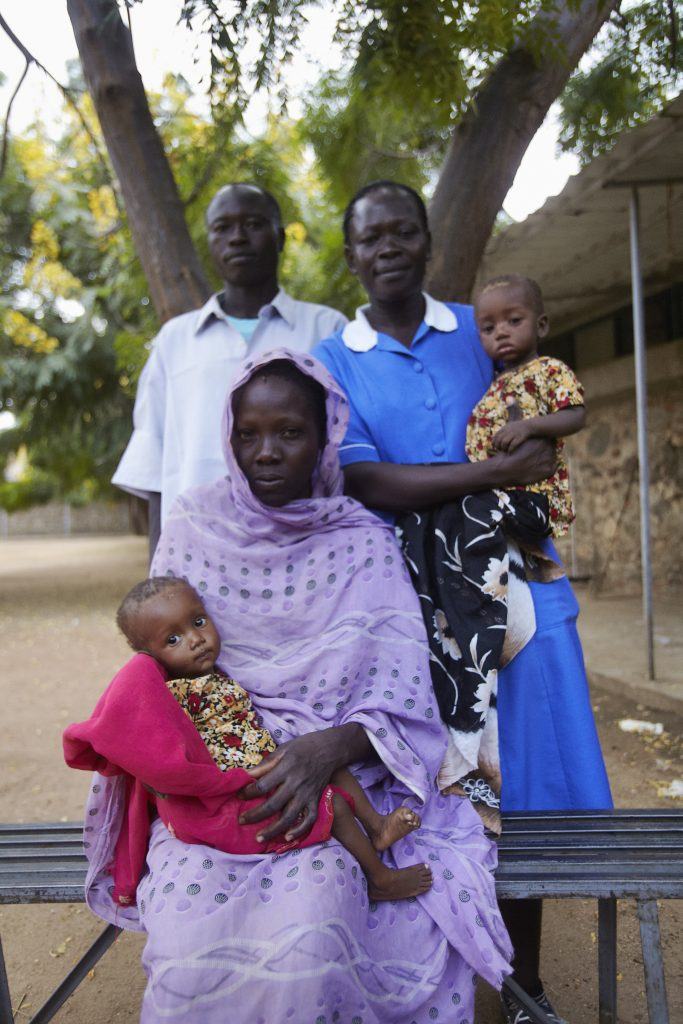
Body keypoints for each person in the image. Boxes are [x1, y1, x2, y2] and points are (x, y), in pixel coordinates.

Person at [78, 349, 512, 1023]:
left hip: (336, 786)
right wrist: (220, 771)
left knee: (315, 927)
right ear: (227, 438)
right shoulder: (192, 528)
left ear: (324, 437)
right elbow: (157, 682)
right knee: (187, 946)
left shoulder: (362, 543)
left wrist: (323, 751)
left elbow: (402, 693)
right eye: (248, 434)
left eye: (288, 433)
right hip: (214, 789)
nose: (267, 452)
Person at [314, 180, 612, 1024]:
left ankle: (521, 988)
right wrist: (487, 475)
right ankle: (440, 982)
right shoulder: (337, 357)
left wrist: (527, 461)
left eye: (402, 233)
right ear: (351, 255)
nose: (386, 250)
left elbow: (549, 406)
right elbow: (367, 478)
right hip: (411, 601)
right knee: (443, 791)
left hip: (523, 592)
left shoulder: (480, 330)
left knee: (531, 784)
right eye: (369, 239)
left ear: (425, 242)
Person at [65, 575, 432, 903]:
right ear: (148, 654)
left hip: (260, 766)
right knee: (329, 802)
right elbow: (161, 751)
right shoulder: (174, 694)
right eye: (173, 639)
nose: (195, 640)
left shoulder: (221, 674)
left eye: (198, 622)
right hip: (237, 793)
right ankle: (378, 878)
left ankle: (378, 826)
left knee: (329, 766)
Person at [112, 183, 347, 556]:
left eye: (253, 224)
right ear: (209, 241)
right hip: (196, 551)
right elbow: (152, 462)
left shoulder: (326, 329)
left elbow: (342, 454)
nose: (237, 238)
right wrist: (158, 570)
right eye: (222, 227)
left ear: (280, 237)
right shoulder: (175, 340)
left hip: (305, 551)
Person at [467, 273, 586, 538]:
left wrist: (529, 428)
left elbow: (576, 414)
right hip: (499, 492)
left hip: (535, 496)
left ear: (541, 326)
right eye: (489, 328)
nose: (501, 332)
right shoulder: (493, 384)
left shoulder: (548, 370)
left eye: (514, 321)